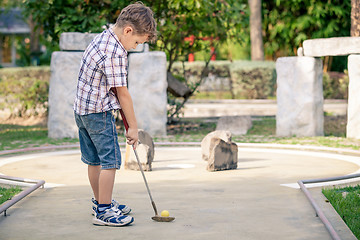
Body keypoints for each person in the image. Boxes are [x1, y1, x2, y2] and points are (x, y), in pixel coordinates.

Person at [73, 2, 157, 227]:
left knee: (94, 161)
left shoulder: (102, 38)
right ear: (128, 31)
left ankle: (102, 201)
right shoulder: (116, 52)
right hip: (99, 115)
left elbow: (110, 88)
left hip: (82, 112)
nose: (136, 47)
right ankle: (104, 211)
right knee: (109, 162)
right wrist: (132, 127)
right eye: (137, 42)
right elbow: (122, 93)